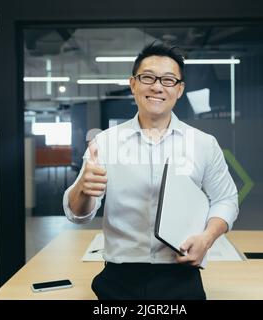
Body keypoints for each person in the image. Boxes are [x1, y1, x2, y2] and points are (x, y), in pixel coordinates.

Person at [63, 42, 239, 300]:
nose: (157, 86)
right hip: (118, 280)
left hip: (181, 275)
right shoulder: (105, 143)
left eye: (168, 80)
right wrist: (83, 190)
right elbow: (77, 215)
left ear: (179, 90)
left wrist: (207, 238)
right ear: (133, 84)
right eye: (148, 77)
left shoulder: (203, 144)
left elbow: (226, 200)